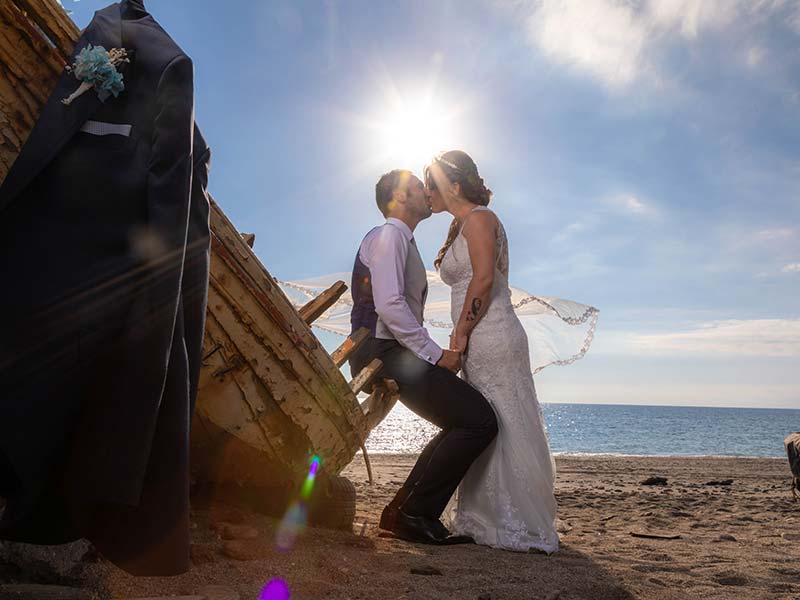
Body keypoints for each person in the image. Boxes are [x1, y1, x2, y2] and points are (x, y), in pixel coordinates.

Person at [0, 0, 208, 575]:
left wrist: (157, 306)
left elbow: (169, 203)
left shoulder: (166, 63)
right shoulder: (108, 41)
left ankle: (60, 518)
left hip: (94, 268)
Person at [348, 169, 498, 545]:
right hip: (382, 350)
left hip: (391, 348)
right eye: (417, 187)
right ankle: (412, 514)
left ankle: (405, 514)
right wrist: (436, 355)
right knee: (478, 421)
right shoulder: (389, 236)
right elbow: (390, 305)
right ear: (398, 198)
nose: (426, 191)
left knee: (466, 420)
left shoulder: (403, 240)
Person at [425, 150, 559, 553]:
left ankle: (513, 520)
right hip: (480, 334)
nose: (426, 192)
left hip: (491, 333)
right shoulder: (461, 224)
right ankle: (486, 516)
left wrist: (462, 333)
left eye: (430, 183)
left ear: (451, 185)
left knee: (503, 417)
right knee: (487, 419)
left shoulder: (481, 220)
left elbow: (483, 281)